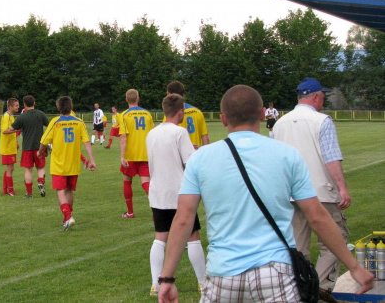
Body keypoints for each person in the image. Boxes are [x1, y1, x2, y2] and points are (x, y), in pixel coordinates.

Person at [157, 85, 373, 303]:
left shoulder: (201, 158)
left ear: (223, 119)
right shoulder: (287, 155)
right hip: (276, 272)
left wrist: (166, 278)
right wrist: (354, 267)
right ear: (262, 114)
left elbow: (183, 220)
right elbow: (317, 217)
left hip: (223, 272)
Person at [273, 77, 352, 302]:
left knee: (299, 246)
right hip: (321, 192)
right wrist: (342, 188)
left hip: (290, 193)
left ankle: (301, 288)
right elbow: (331, 158)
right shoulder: (322, 121)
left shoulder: (280, 123)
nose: (323, 100)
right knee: (335, 239)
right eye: (323, 96)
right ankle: (321, 285)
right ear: (316, 96)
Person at [146, 94, 205, 297]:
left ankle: (155, 283)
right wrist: (196, 152)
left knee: (160, 237)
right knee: (193, 237)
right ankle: (203, 283)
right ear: (181, 112)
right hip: (179, 192)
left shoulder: (152, 133)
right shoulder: (180, 132)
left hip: (157, 192)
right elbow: (190, 163)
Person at [38, 96, 96, 231]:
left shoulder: (55, 122)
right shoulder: (79, 122)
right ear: (72, 107)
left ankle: (68, 217)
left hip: (59, 164)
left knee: (60, 191)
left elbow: (44, 141)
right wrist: (92, 161)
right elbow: (87, 142)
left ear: (58, 107)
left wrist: (40, 152)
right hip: (74, 164)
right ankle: (66, 219)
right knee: (69, 190)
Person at [4, 95, 50, 198]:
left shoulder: (22, 117)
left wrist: (20, 128)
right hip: (40, 147)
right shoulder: (40, 114)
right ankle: (41, 181)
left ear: (24, 104)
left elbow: (11, 129)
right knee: (40, 167)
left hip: (27, 147)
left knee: (28, 169)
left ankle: (29, 193)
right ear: (34, 103)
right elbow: (50, 126)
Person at [119, 89, 155, 218]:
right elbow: (152, 135)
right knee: (146, 183)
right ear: (138, 99)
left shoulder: (123, 115)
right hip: (145, 154)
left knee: (127, 181)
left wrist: (122, 156)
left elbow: (123, 137)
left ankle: (130, 212)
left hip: (130, 155)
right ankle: (158, 209)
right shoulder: (147, 114)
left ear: (126, 100)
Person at [166, 81, 210, 150]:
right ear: (183, 94)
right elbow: (205, 137)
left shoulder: (171, 113)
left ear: (169, 94)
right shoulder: (198, 112)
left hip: (180, 156)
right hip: (195, 154)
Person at [0, 98, 19, 196]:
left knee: (10, 168)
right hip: (7, 147)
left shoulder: (11, 116)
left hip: (11, 146)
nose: (18, 107)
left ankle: (5, 189)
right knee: (10, 168)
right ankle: (10, 190)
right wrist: (17, 131)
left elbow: (11, 131)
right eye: (16, 105)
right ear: (10, 106)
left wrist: (16, 141)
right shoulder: (6, 116)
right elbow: (5, 131)